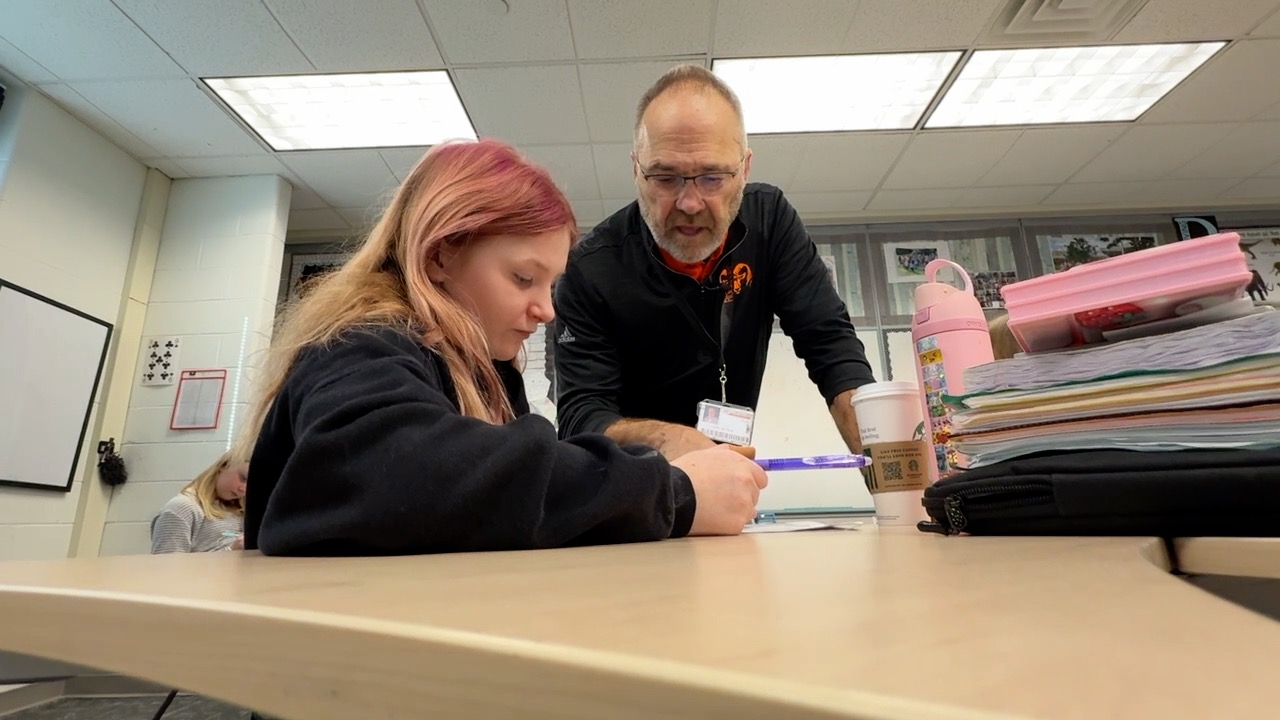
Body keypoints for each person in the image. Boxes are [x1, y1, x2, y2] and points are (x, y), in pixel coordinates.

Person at [238, 139, 766, 557]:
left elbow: (505, 502)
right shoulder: (359, 345)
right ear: (441, 255)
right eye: (522, 278)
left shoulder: (483, 370)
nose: (546, 310)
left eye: (550, 285)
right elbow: (400, 473)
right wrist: (675, 494)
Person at [553, 64, 876, 459]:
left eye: (712, 177)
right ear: (636, 169)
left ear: (745, 169)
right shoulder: (588, 271)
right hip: (630, 496)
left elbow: (830, 344)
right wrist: (669, 441)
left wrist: (883, 458)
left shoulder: (769, 221)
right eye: (665, 177)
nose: (690, 204)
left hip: (729, 478)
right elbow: (579, 415)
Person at [150, 451, 246, 553]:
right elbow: (166, 566)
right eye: (243, 478)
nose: (243, 489)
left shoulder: (239, 511)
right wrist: (231, 550)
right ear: (224, 465)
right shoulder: (181, 509)